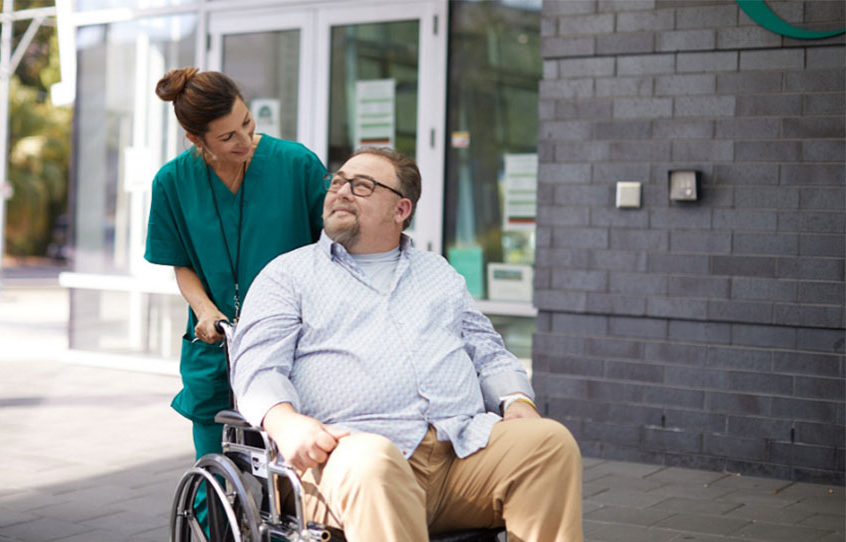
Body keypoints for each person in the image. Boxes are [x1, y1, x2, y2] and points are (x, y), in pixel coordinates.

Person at [230, 148, 583, 542]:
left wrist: (516, 400)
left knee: (548, 443)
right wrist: (285, 422)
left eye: (362, 186)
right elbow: (257, 368)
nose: (341, 191)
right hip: (345, 457)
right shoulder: (288, 275)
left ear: (401, 210)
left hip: (459, 454)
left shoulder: (438, 273)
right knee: (375, 463)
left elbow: (487, 349)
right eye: (338, 181)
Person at [144, 68, 326, 466]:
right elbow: (181, 262)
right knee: (217, 475)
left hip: (293, 343)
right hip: (217, 345)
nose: (244, 141)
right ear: (196, 139)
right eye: (227, 137)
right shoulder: (172, 182)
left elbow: (333, 248)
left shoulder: (297, 165)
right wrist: (205, 310)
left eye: (246, 122)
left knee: (291, 480)